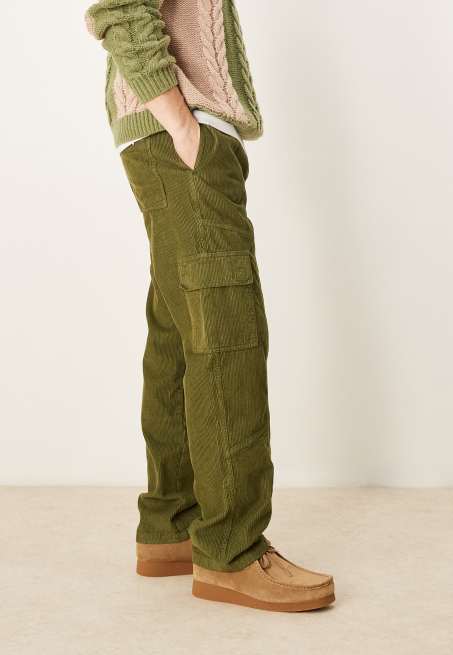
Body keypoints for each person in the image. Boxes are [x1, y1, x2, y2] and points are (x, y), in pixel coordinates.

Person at [85, 0, 335, 612]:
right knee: (228, 336)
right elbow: (119, 10)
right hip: (177, 137)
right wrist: (183, 125)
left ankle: (171, 524)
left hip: (167, 138)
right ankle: (232, 549)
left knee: (178, 334)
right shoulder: (180, 132)